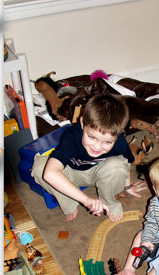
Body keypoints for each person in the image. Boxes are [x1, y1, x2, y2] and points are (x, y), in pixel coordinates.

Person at [30, 93, 144, 222]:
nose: (97, 147)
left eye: (107, 142)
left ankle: (110, 202)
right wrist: (85, 199)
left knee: (118, 165)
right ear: (82, 123)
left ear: (118, 135)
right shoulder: (71, 136)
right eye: (91, 137)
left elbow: (126, 163)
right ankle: (70, 202)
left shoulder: (120, 142)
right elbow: (50, 173)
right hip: (70, 173)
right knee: (40, 168)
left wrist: (127, 186)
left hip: (99, 172)